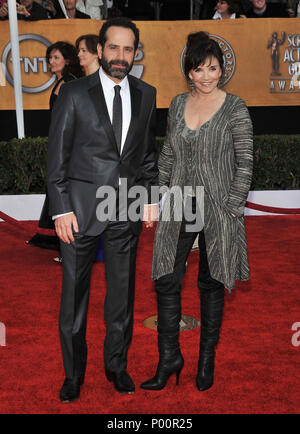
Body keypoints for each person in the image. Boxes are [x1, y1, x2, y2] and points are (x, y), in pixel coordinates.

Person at [47, 17, 158, 402]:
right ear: (99, 49)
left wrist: (151, 199)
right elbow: (56, 158)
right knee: (74, 301)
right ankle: (73, 374)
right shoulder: (74, 93)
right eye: (113, 47)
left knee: (121, 298)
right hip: (77, 213)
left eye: (128, 49)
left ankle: (116, 366)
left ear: (135, 52)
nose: (121, 56)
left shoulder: (147, 94)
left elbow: (146, 159)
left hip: (124, 210)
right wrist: (60, 210)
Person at [141, 31, 253, 392]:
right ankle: (169, 357)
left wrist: (234, 206)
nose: (206, 76)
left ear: (222, 70)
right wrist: (156, 197)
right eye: (199, 69)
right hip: (178, 202)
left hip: (220, 207)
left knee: (212, 280)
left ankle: (207, 360)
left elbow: (245, 162)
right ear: (188, 71)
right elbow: (169, 156)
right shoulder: (176, 105)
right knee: (166, 278)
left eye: (213, 68)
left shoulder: (235, 107)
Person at [26, 42, 84, 253]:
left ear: (67, 60)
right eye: (50, 58)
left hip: (67, 147)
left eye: (56, 57)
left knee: (65, 189)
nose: (51, 61)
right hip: (64, 144)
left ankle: (70, 243)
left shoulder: (69, 83)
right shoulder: (64, 82)